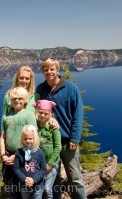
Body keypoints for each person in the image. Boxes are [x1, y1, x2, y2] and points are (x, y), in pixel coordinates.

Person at [36, 58, 87, 199]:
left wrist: (75, 137)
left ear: (57, 70)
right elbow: (30, 103)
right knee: (54, 180)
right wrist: (13, 91)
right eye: (46, 69)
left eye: (52, 69)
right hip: (50, 143)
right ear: (42, 71)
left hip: (68, 141)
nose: (49, 72)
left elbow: (78, 113)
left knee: (75, 179)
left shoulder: (70, 88)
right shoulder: (40, 89)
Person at [0, 87, 37, 199]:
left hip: (23, 156)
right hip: (8, 155)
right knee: (12, 188)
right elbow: (2, 137)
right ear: (11, 100)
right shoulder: (7, 117)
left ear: (25, 100)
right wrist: (3, 155)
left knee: (25, 190)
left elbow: (34, 138)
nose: (17, 101)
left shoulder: (28, 115)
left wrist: (16, 156)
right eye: (14, 98)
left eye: (20, 98)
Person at [33, 100, 62, 199]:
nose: (42, 115)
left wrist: (50, 163)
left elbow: (58, 147)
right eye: (40, 112)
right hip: (38, 163)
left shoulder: (53, 127)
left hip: (51, 163)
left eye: (46, 113)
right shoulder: (34, 125)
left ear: (50, 114)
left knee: (47, 189)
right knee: (38, 189)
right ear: (37, 111)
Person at [12, 124, 46, 199]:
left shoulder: (40, 152)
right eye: (25, 138)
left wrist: (34, 179)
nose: (28, 141)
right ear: (22, 139)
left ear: (35, 138)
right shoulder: (19, 152)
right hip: (24, 185)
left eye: (30, 138)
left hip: (37, 185)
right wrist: (24, 179)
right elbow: (16, 168)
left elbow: (43, 169)